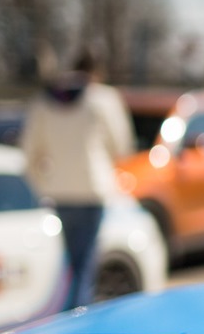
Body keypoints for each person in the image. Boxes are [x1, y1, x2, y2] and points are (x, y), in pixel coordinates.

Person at [17, 47, 135, 308]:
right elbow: (122, 145)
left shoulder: (44, 99)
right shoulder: (103, 99)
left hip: (58, 191)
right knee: (84, 267)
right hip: (91, 189)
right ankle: (77, 316)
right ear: (97, 71)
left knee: (69, 264)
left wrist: (42, 185)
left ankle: (69, 310)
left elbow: (28, 152)